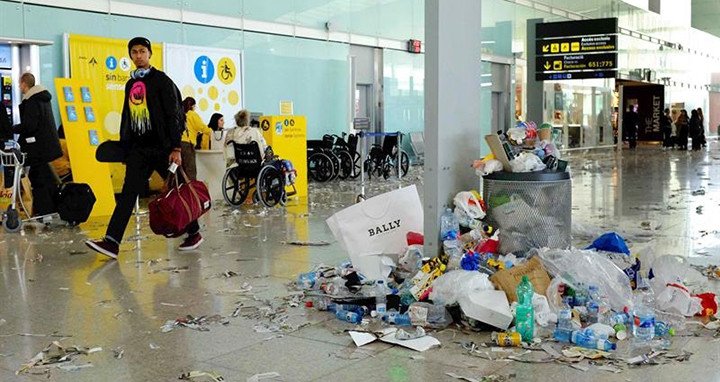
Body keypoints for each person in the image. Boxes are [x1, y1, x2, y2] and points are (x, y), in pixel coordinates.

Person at [86, 37, 203, 260]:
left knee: (176, 191)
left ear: (150, 54)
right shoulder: (131, 84)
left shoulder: (162, 81)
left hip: (163, 149)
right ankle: (112, 242)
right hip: (139, 151)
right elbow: (128, 117)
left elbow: (174, 115)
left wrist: (176, 148)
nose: (138, 56)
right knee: (128, 194)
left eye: (142, 51)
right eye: (134, 52)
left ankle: (194, 232)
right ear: (130, 56)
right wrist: (126, 148)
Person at [0, 73, 62, 217]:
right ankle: (47, 210)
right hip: (46, 146)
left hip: (38, 148)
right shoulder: (42, 98)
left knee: (38, 178)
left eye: (20, 84)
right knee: (43, 177)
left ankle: (45, 211)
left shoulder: (32, 101)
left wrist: (13, 129)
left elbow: (30, 125)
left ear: (23, 84)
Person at [180, 97, 213, 179]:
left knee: (181, 170)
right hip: (187, 143)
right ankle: (191, 190)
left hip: (178, 143)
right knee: (190, 170)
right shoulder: (192, 114)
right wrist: (210, 131)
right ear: (192, 106)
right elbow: (201, 126)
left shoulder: (180, 113)